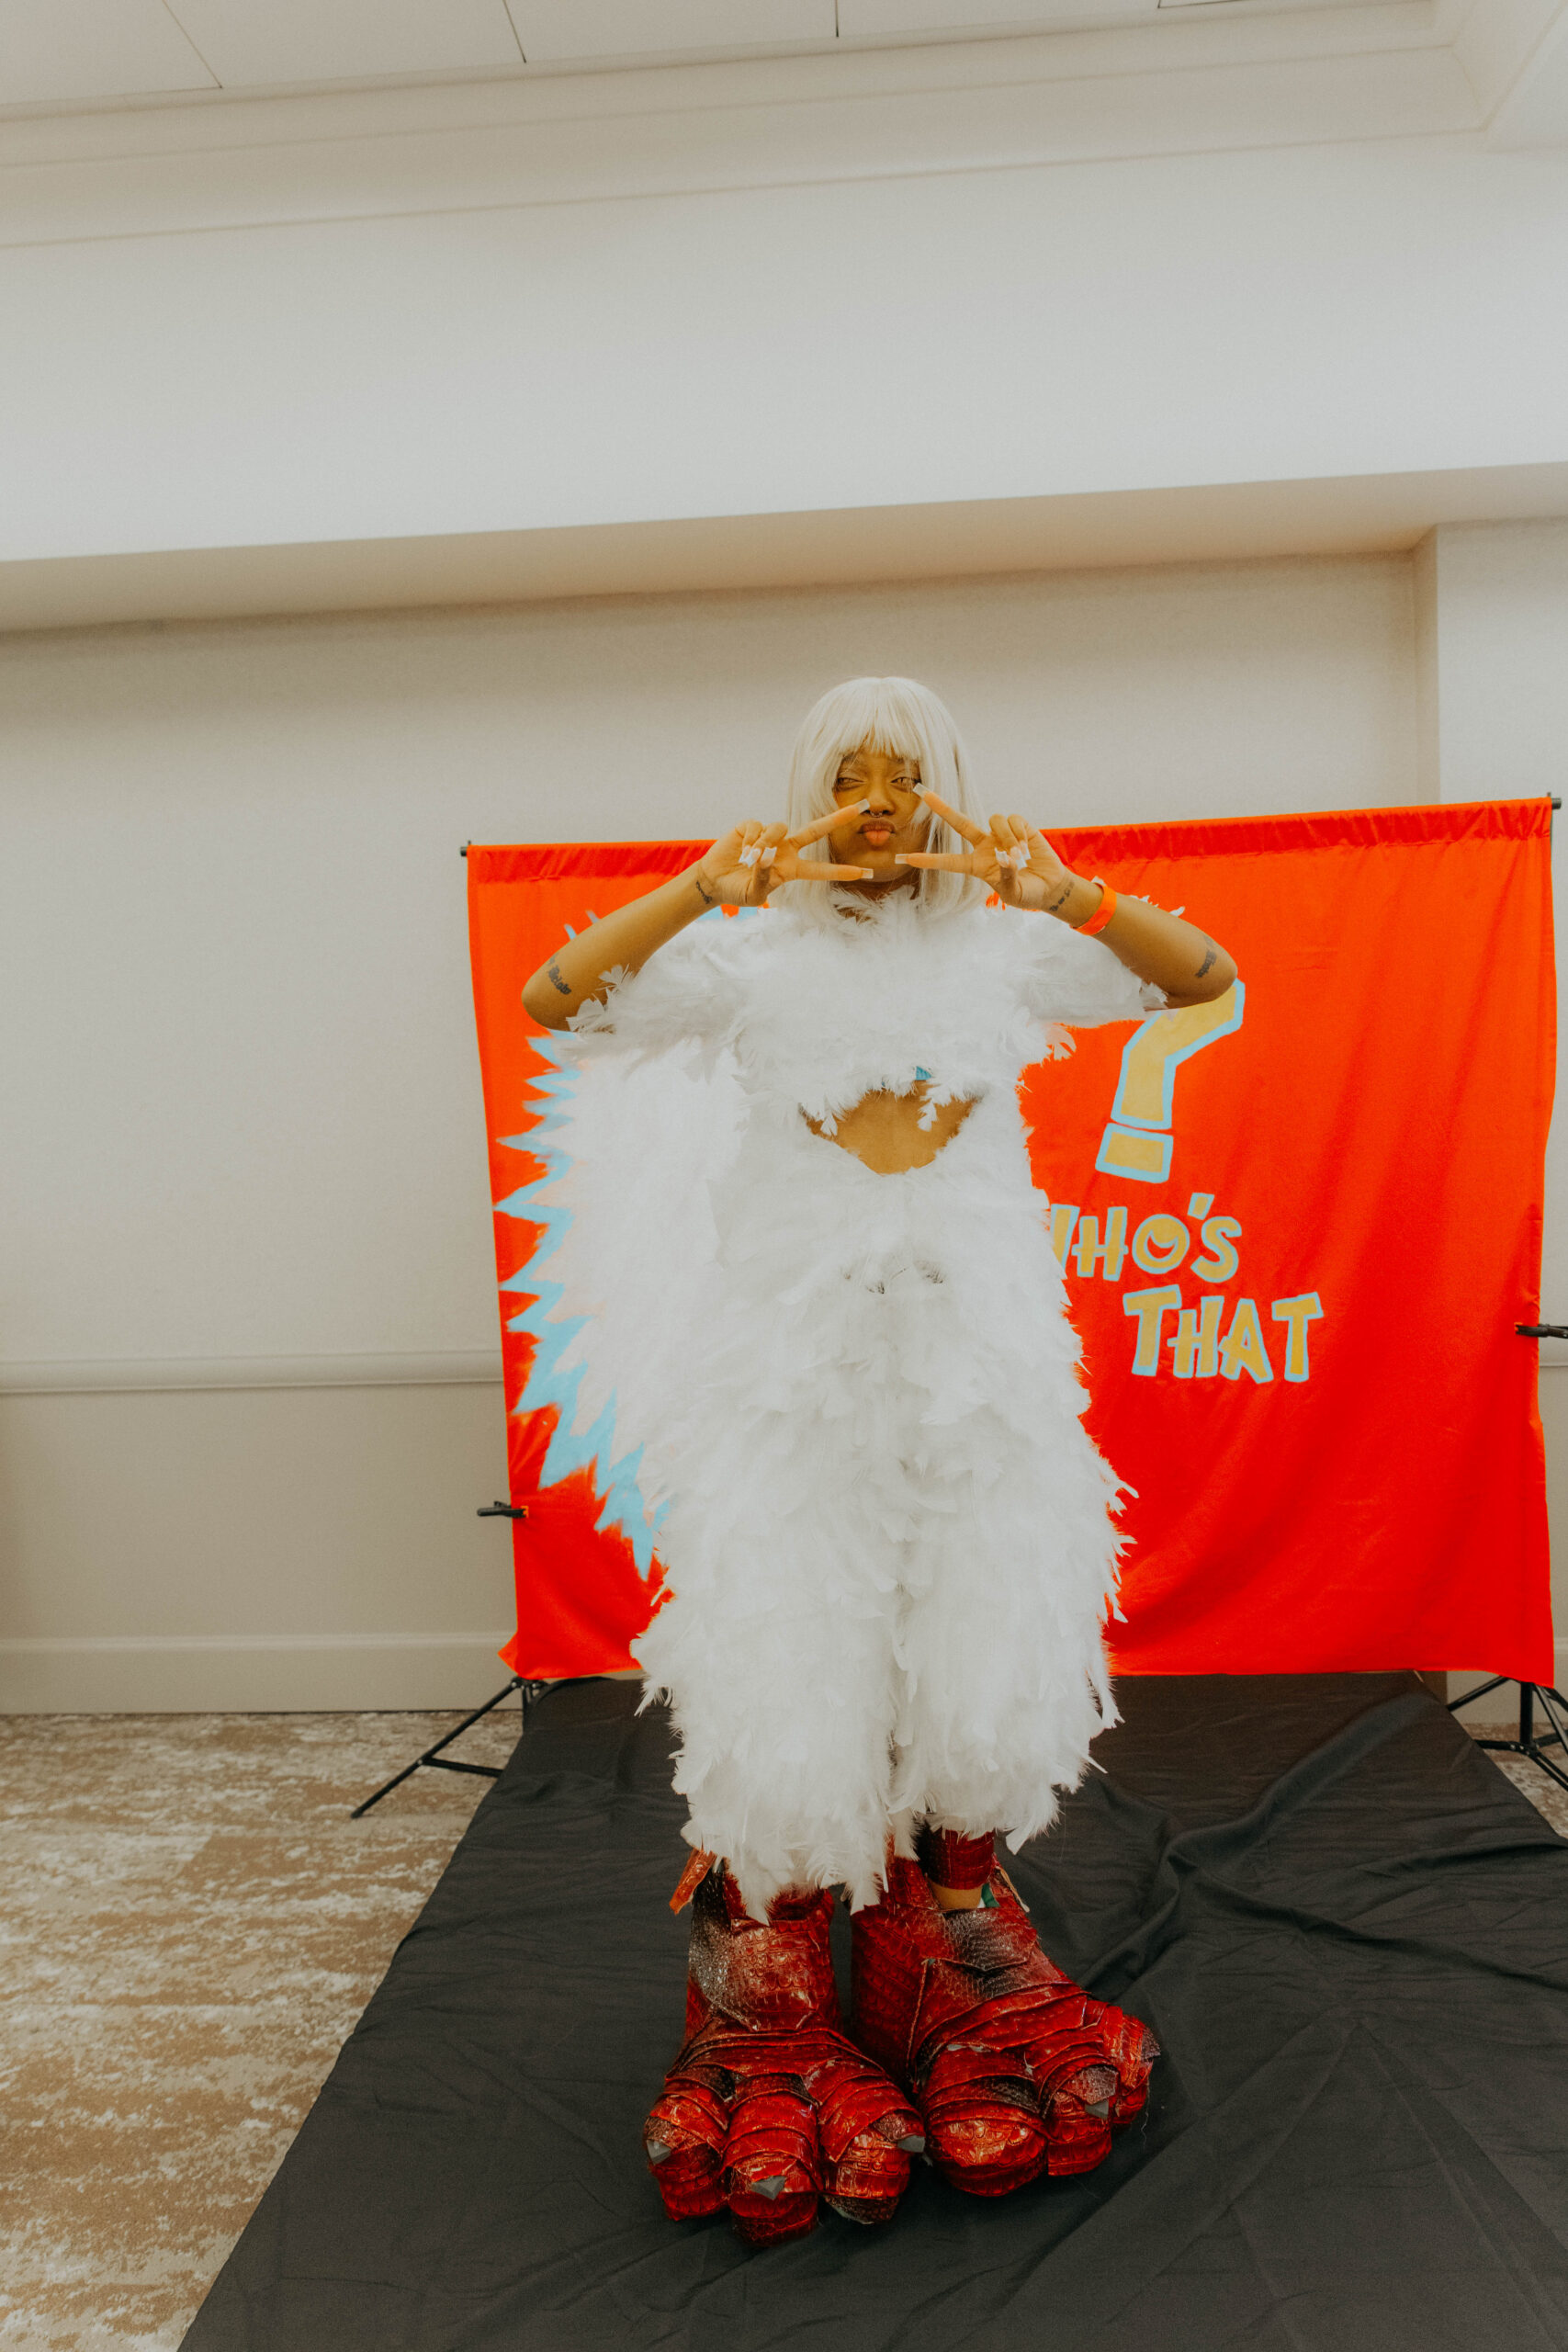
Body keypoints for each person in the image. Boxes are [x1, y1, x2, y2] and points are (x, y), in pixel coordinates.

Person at [521, 676, 1236, 2245]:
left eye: (903, 776)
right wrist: (708, 885)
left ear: (947, 789)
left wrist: (1063, 890)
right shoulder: (749, 957)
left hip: (978, 1371)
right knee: (789, 1634)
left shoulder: (1010, 950)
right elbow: (555, 1000)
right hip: (794, 1380)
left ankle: (946, 1916)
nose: (876, 807)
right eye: (847, 777)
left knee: (980, 1627)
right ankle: (765, 1945)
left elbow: (1203, 976)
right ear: (808, 795)